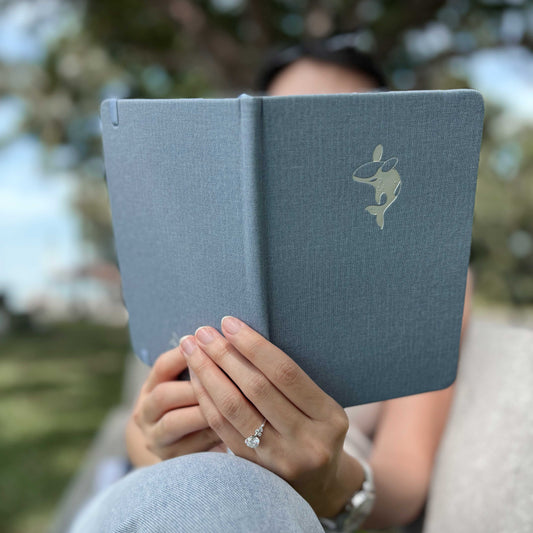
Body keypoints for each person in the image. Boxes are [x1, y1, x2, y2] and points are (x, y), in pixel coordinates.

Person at [69, 32, 474, 533]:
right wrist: (158, 443)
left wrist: (329, 484)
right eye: (292, 116)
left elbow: (405, 481)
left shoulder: (432, 272)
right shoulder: (205, 252)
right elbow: (142, 431)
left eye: (339, 120)